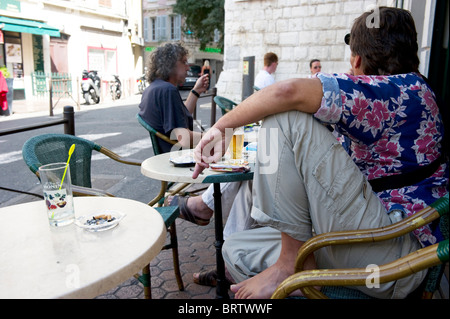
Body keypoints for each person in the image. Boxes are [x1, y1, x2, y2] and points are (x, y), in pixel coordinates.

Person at [192, 7, 448, 299]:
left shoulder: (403, 89)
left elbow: (286, 93)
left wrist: (222, 128)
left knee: (283, 117)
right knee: (235, 250)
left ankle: (290, 265)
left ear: (357, 59)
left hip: (396, 257)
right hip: (372, 237)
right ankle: (302, 269)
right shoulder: (413, 90)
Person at [138, 42, 209, 153]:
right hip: (178, 157)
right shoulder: (167, 90)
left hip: (168, 156)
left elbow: (179, 117)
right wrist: (213, 136)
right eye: (184, 62)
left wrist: (196, 91)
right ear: (169, 64)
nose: (188, 68)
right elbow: (184, 139)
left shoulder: (154, 88)